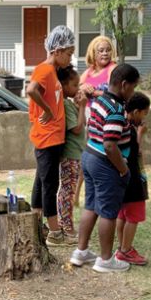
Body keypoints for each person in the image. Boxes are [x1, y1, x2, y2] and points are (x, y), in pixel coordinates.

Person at [70, 63, 140, 273]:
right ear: (124, 84)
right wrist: (123, 170)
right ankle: (106, 259)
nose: (133, 92)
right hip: (105, 164)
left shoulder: (100, 100)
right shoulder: (117, 109)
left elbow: (94, 131)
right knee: (108, 212)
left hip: (89, 157)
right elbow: (110, 145)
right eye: (133, 87)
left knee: (91, 206)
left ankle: (81, 252)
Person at [26, 26, 75, 243]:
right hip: (47, 137)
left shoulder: (52, 72)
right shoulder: (44, 69)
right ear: (57, 50)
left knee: (41, 181)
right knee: (50, 184)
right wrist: (46, 110)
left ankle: (36, 224)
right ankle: (55, 232)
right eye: (69, 53)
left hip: (53, 136)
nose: (70, 57)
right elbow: (31, 90)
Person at [116, 91, 151, 266]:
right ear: (136, 111)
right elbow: (136, 152)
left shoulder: (121, 123)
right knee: (134, 216)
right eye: (145, 113)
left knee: (122, 214)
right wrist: (140, 133)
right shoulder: (129, 129)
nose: (144, 117)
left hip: (123, 180)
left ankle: (122, 247)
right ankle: (126, 250)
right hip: (132, 181)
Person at [53, 65, 86, 245]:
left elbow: (84, 122)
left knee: (69, 190)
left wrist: (80, 107)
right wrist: (81, 107)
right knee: (67, 192)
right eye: (74, 85)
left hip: (76, 154)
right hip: (70, 155)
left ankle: (66, 224)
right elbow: (77, 128)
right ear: (64, 86)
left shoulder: (70, 103)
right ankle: (65, 226)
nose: (78, 88)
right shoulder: (64, 104)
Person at [79, 35, 117, 107]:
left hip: (103, 114)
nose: (105, 53)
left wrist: (93, 92)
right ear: (93, 53)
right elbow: (75, 89)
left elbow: (115, 95)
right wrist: (82, 87)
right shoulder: (89, 71)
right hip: (86, 112)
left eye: (108, 50)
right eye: (101, 50)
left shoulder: (113, 68)